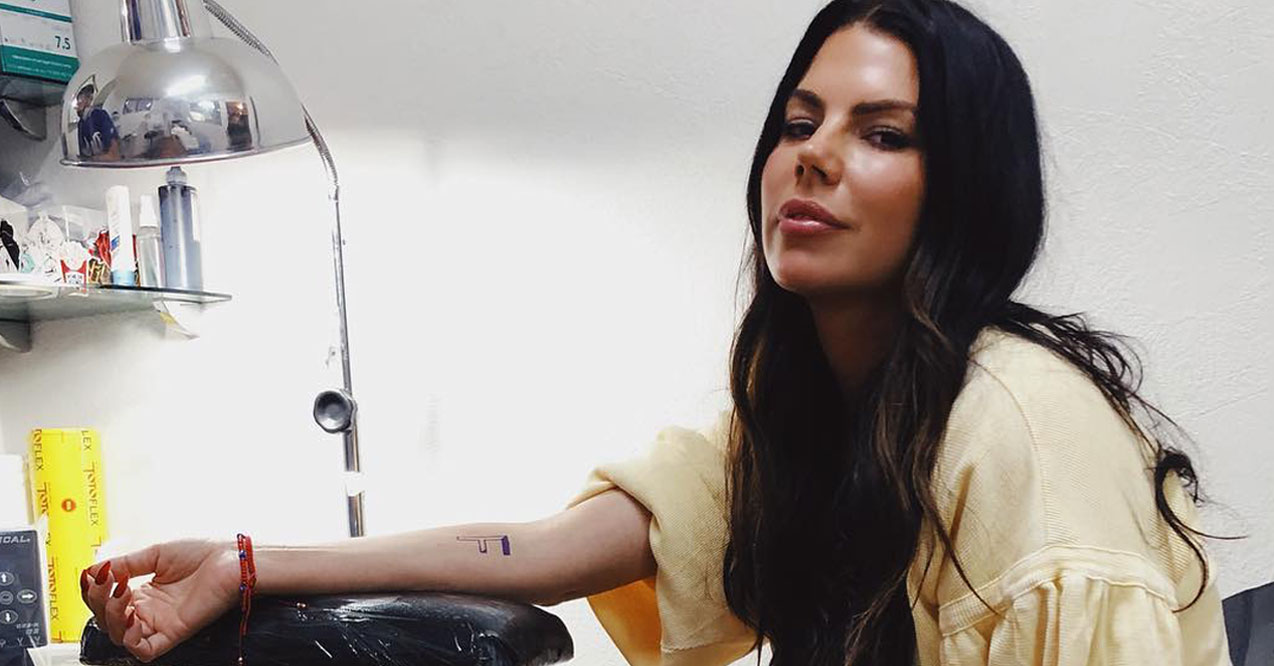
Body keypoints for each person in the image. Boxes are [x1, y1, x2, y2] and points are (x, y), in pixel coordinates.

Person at [80, 1, 1233, 664]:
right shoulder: (820, 414)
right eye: (798, 121)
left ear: (965, 189)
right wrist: (243, 564)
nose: (814, 156)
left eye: (882, 134)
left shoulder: (1018, 430)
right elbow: (539, 551)